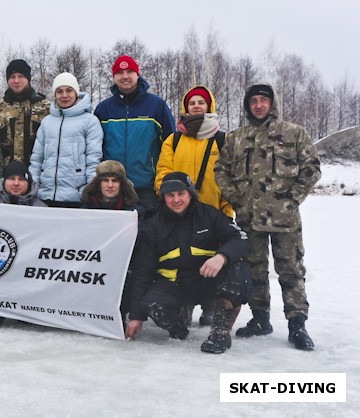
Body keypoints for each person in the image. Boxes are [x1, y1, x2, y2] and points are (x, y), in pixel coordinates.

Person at [214, 83, 321, 351]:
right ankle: (260, 319)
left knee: (291, 271)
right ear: (247, 106)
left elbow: (311, 168)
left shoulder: (293, 133)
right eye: (254, 101)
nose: (259, 105)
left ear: (272, 103)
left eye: (264, 100)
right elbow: (221, 170)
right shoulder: (236, 138)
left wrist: (293, 198)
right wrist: (237, 199)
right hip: (250, 218)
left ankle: (297, 324)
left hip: (284, 220)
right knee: (255, 271)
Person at [125, 172, 252, 354]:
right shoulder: (153, 225)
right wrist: (136, 316)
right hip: (177, 285)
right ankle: (178, 325)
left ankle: (220, 333)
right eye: (170, 195)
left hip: (209, 281)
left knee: (238, 270)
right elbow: (142, 272)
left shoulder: (208, 213)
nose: (176, 200)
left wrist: (221, 257)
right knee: (151, 303)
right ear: (164, 197)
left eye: (181, 194)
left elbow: (241, 239)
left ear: (190, 194)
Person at [155, 85, 233, 326]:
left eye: (201, 102)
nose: (196, 106)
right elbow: (163, 172)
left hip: (211, 210)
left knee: (209, 257)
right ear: (185, 107)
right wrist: (166, 198)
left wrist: (227, 209)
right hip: (178, 210)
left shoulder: (222, 139)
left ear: (209, 106)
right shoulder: (175, 138)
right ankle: (184, 304)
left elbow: (231, 177)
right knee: (183, 259)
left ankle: (210, 304)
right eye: (192, 103)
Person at [94, 55, 175, 211]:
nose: (125, 76)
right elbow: (96, 148)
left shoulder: (156, 105)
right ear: (114, 77)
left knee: (147, 233)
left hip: (146, 189)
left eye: (129, 71)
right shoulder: (103, 109)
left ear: (137, 74)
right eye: (120, 72)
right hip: (113, 189)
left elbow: (170, 145)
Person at [0, 160, 46, 328]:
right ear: (4, 181)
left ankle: (26, 308)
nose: (16, 183)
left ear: (28, 182)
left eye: (21, 179)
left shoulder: (42, 209)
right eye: (11, 178)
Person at [29, 72, 102, 208]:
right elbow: (37, 158)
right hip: (45, 196)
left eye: (69, 90)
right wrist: (34, 186)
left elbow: (93, 159)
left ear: (76, 92)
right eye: (59, 91)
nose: (64, 95)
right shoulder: (47, 122)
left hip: (76, 196)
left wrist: (89, 190)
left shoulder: (89, 121)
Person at [81, 160, 139, 323]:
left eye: (115, 181)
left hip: (122, 267)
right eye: (105, 180)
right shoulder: (84, 210)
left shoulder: (134, 212)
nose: (110, 185)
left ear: (122, 184)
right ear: (98, 184)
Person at [0, 59, 50, 165]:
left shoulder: (46, 109)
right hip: (6, 177)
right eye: (12, 77)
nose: (16, 81)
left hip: (38, 174)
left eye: (21, 76)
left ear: (28, 79)